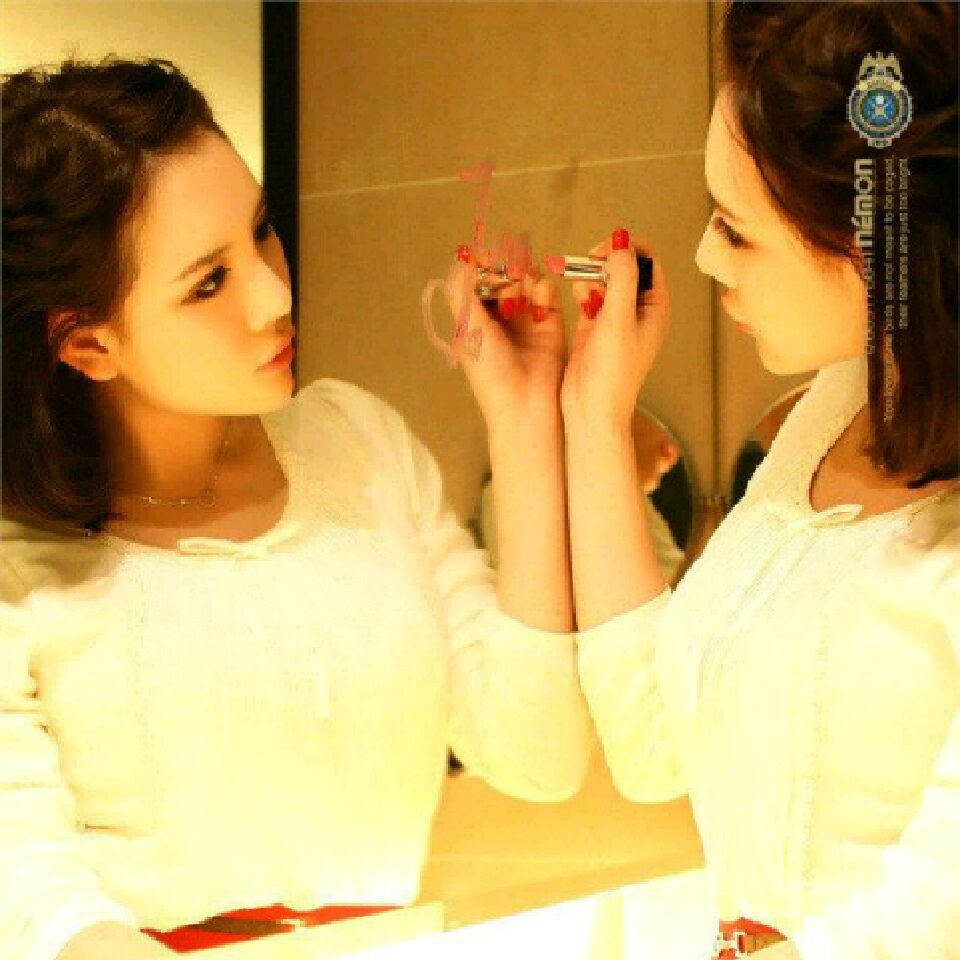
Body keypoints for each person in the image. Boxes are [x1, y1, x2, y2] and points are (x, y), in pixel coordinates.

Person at [0, 57, 592, 960]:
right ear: (87, 344)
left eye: (262, 232)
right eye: (208, 282)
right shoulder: (19, 562)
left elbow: (539, 756)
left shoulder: (358, 443)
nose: (276, 296)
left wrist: (521, 423)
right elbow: (30, 894)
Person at [559, 3, 959, 958]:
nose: (704, 258)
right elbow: (654, 745)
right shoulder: (830, 416)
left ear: (870, 249)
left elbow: (936, 905)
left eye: (736, 231)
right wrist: (595, 415)